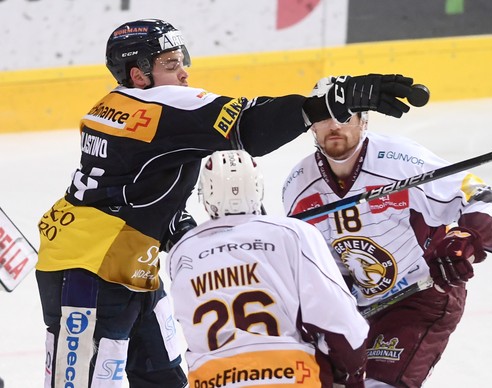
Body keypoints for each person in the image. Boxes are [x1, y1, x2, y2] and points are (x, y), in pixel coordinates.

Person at [34, 19, 419, 388]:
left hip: (128, 261)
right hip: (87, 269)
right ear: (138, 75)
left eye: (183, 60)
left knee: (163, 377)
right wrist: (327, 104)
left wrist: (184, 230)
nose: (183, 72)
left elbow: (132, 191)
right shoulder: (157, 108)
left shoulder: (112, 108)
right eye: (170, 64)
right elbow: (249, 127)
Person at [283, 77, 492, 387]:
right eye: (323, 118)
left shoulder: (399, 161)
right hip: (358, 313)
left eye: (346, 116)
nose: (335, 126)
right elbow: (315, 262)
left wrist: (464, 241)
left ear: (364, 121)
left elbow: (478, 194)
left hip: (421, 296)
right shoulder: (298, 186)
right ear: (312, 127)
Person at [166, 150, 369, 387]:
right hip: (292, 377)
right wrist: (351, 376)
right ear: (257, 188)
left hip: (212, 379)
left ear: (206, 194)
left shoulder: (182, 253)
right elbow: (342, 323)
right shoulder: (293, 233)